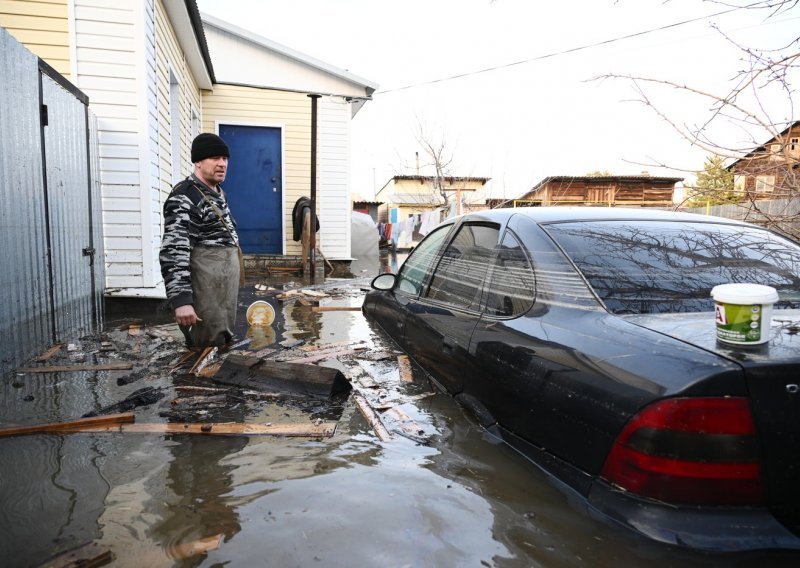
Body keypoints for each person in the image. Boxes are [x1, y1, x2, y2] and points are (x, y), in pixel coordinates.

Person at [159, 133, 241, 349]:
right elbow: (174, 252)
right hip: (204, 295)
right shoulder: (186, 197)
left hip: (221, 291)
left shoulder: (216, 192)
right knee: (203, 351)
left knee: (220, 345)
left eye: (225, 159)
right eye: (215, 158)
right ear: (198, 161)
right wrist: (182, 301)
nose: (222, 164)